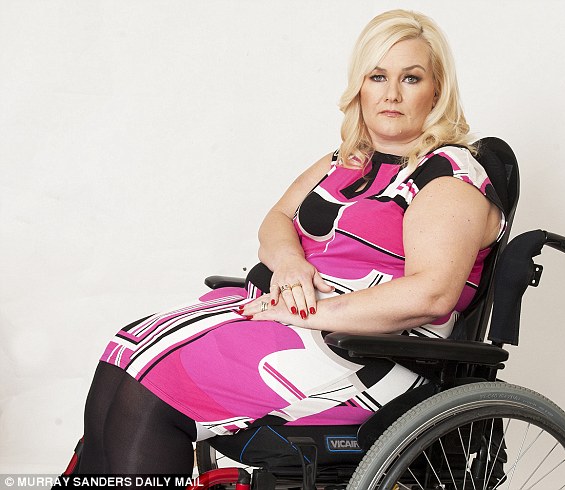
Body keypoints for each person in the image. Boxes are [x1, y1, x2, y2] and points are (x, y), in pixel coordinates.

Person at [63, 9, 505, 477]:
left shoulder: (447, 178)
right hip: (299, 322)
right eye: (378, 76)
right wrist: (291, 264)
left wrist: (307, 312)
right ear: (360, 85)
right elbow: (275, 221)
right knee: (126, 350)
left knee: (158, 384)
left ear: (437, 89)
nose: (391, 93)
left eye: (410, 78)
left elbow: (430, 295)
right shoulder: (348, 160)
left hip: (372, 352)